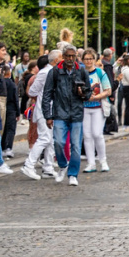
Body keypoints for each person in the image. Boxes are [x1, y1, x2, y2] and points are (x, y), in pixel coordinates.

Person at [42, 44, 90, 186]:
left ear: (76, 56)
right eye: (67, 56)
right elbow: (47, 94)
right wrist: (48, 115)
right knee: (58, 142)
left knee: (75, 146)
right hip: (59, 113)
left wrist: (83, 93)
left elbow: (88, 94)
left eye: (72, 56)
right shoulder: (55, 72)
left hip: (76, 113)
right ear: (63, 56)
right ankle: (63, 165)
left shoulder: (81, 71)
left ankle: (73, 174)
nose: (70, 58)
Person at [21, 53, 58, 180]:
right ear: (56, 60)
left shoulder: (55, 71)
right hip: (44, 110)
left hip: (52, 109)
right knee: (44, 138)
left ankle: (48, 167)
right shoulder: (45, 73)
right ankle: (29, 164)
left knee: (51, 139)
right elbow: (32, 91)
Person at [81, 48, 111, 172]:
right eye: (86, 59)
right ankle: (91, 163)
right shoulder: (80, 73)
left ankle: (103, 161)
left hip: (98, 107)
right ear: (82, 60)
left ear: (94, 59)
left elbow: (108, 90)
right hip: (84, 108)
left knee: (97, 134)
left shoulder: (100, 73)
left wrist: (96, 97)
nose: (88, 61)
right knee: (87, 136)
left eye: (90, 58)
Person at [0, 66, 20, 159]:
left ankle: (2, 147)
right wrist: (18, 112)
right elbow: (16, 99)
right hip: (11, 108)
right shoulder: (12, 84)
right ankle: (8, 147)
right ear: (9, 73)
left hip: (3, 107)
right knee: (11, 129)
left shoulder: (0, 83)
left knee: (3, 129)